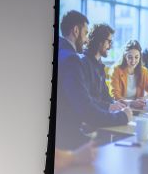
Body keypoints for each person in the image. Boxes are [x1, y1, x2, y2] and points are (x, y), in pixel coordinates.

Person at [55, 10, 131, 150]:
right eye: (85, 33)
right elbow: (86, 107)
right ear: (76, 30)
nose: (86, 39)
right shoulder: (73, 60)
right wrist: (122, 117)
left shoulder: (61, 52)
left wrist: (115, 106)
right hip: (71, 137)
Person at [80, 23, 124, 113]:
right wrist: (109, 106)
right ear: (100, 41)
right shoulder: (83, 62)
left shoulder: (99, 63)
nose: (110, 46)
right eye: (109, 42)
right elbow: (87, 99)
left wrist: (116, 103)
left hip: (101, 112)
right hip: (91, 117)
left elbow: (105, 94)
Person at [110, 39, 148, 109]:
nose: (133, 61)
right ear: (125, 57)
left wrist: (145, 98)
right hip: (121, 109)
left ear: (140, 57)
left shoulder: (143, 71)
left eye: (136, 57)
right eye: (130, 57)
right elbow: (115, 96)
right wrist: (131, 103)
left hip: (137, 110)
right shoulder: (116, 70)